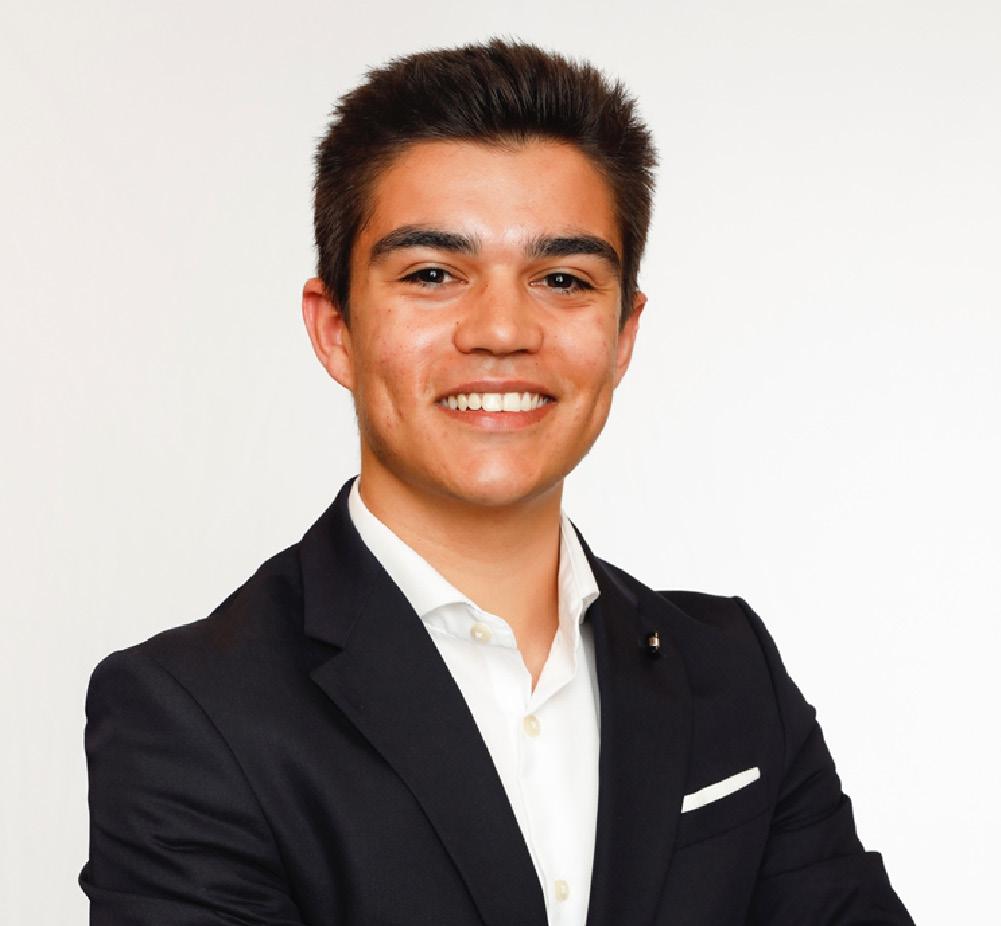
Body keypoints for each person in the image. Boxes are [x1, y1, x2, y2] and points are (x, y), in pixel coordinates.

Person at [79, 39, 914, 925]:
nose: (503, 330)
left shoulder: (728, 670)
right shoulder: (192, 710)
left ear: (622, 335)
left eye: (562, 278)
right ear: (335, 330)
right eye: (433, 274)